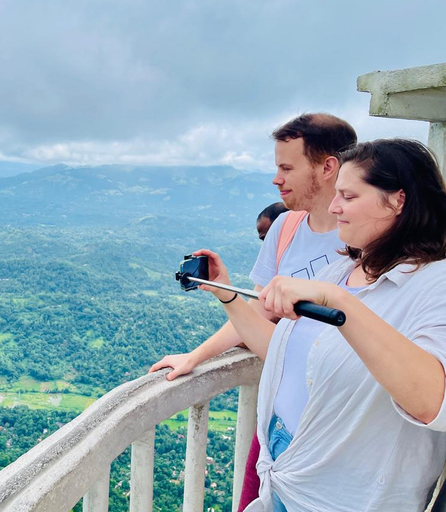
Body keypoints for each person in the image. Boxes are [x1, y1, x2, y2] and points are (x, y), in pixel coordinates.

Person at [197, 139, 446, 511]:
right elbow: (285, 352)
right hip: (285, 466)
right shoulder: (341, 270)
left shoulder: (434, 283)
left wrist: (340, 301)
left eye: (348, 195)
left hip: (346, 493)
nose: (334, 207)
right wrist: (228, 295)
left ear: (398, 200)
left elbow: (432, 403)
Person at [150, 113, 356, 510]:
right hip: (280, 414)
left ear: (328, 166)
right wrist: (196, 356)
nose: (276, 179)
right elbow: (259, 312)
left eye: (286, 167)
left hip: (334, 428)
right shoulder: (286, 229)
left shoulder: (361, 240)